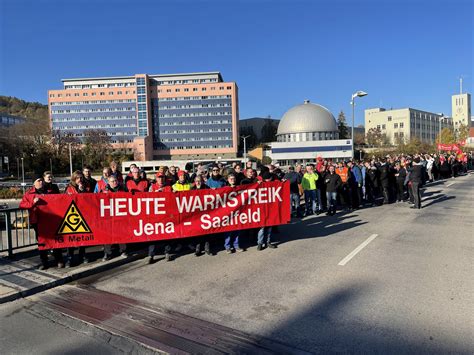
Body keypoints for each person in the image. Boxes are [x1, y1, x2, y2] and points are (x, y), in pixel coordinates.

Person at [19, 175, 64, 270]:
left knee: (55, 240)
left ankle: (59, 260)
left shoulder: (48, 191)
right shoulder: (29, 193)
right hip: (37, 221)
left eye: (42, 180)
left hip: (50, 220)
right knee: (41, 242)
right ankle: (44, 262)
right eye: (39, 180)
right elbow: (22, 205)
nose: (41, 182)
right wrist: (32, 203)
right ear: (34, 183)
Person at [100, 176, 129, 260]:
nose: (115, 182)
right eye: (112, 181)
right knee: (107, 235)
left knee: (121, 234)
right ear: (108, 182)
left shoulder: (123, 189)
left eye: (116, 180)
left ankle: (123, 251)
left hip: (120, 215)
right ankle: (107, 253)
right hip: (108, 216)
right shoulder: (104, 191)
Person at [147, 173, 173, 264]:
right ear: (156, 179)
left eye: (162, 178)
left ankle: (167, 252)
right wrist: (155, 194)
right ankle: (151, 254)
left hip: (166, 215)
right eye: (159, 178)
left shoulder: (169, 187)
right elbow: (146, 199)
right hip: (155, 216)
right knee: (154, 235)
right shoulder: (152, 187)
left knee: (167, 234)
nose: (161, 180)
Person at [64, 170, 87, 267]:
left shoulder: (85, 186)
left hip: (83, 214)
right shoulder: (69, 188)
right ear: (74, 178)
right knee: (71, 238)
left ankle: (82, 255)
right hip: (72, 215)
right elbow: (70, 200)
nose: (80, 180)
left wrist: (82, 190)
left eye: (81, 178)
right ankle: (70, 258)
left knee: (83, 237)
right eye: (77, 178)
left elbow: (87, 199)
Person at [190, 176, 212, 256]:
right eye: (196, 181)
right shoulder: (192, 189)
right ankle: (198, 249)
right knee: (198, 232)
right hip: (196, 214)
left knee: (206, 231)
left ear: (202, 181)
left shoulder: (206, 188)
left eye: (199, 181)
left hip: (206, 213)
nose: (198, 182)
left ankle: (207, 248)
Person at [256, 172, 277, 250]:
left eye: (269, 178)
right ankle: (260, 243)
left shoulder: (273, 184)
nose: (268, 180)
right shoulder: (260, 184)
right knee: (262, 228)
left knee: (269, 227)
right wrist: (257, 183)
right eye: (267, 179)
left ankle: (268, 242)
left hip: (270, 209)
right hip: (262, 209)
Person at [223, 174, 244, 253]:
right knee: (228, 230)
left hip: (238, 212)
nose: (232, 180)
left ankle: (236, 245)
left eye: (233, 178)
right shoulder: (224, 188)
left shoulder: (239, 188)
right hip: (228, 213)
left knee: (237, 230)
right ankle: (227, 246)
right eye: (231, 179)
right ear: (228, 180)